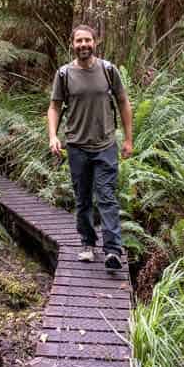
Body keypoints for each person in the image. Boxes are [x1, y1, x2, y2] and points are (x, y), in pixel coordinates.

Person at [46, 25, 134, 269]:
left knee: (106, 197)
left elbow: (124, 102)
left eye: (88, 40)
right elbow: (54, 107)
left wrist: (128, 139)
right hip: (76, 146)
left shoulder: (108, 70)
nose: (83, 45)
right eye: (79, 41)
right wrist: (53, 136)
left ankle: (113, 250)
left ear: (96, 42)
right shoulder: (64, 74)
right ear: (72, 44)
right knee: (83, 198)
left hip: (105, 144)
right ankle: (87, 243)